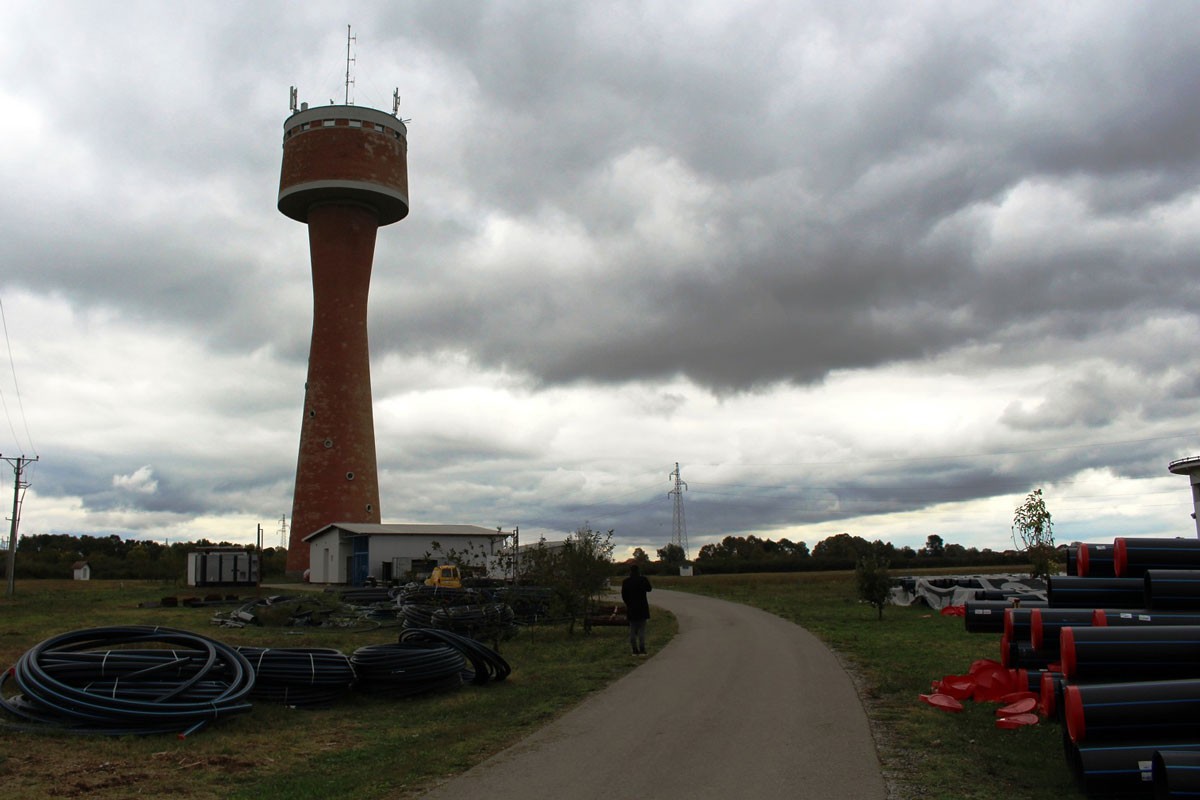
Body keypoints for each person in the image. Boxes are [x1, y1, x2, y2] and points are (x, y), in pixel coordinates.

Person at [621, 564, 653, 656]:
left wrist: (628, 604)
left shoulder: (626, 582)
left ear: (630, 571)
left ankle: (635, 650)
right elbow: (649, 589)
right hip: (642, 607)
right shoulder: (643, 580)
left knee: (632, 630)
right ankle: (642, 649)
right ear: (638, 571)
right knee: (641, 630)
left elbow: (624, 596)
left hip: (631, 608)